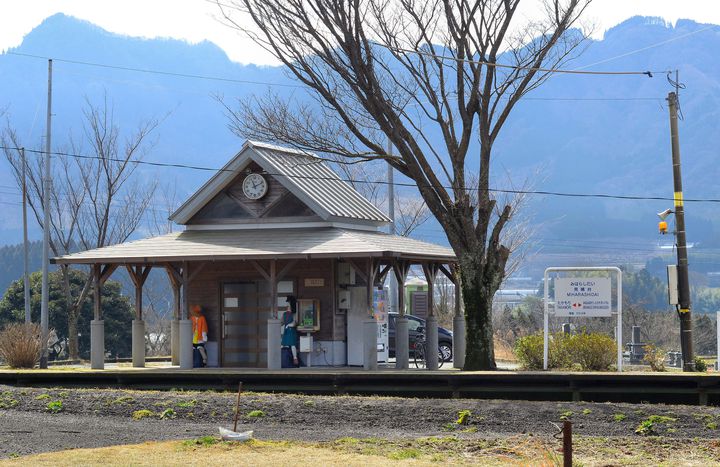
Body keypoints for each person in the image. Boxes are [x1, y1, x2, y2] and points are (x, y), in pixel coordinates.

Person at [281, 296, 299, 368]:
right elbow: (282, 322)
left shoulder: (294, 313)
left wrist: (291, 325)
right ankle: (282, 359)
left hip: (291, 331)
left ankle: (295, 358)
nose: (288, 305)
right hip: (286, 331)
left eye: (289, 304)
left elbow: (295, 322)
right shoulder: (284, 314)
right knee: (283, 344)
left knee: (292, 345)